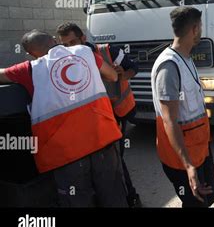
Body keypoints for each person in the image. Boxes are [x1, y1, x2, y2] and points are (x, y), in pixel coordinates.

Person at [0, 30, 128, 207]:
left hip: (67, 154)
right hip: (102, 141)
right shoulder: (84, 52)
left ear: (31, 54)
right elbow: (113, 76)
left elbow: (1, 75)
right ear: (54, 40)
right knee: (113, 195)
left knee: (77, 200)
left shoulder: (30, 69)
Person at [56, 22, 141, 208]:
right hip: (93, 117)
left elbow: (134, 66)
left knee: (116, 158)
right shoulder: (65, 61)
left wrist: (123, 74)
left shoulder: (108, 51)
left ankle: (131, 197)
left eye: (73, 42)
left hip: (117, 112)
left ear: (83, 39)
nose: (70, 48)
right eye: (65, 45)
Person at [151, 6, 214, 207]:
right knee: (197, 203)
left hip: (199, 149)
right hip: (182, 158)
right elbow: (169, 120)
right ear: (195, 29)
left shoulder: (185, 58)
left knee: (207, 198)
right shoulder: (169, 67)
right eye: (201, 27)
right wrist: (188, 166)